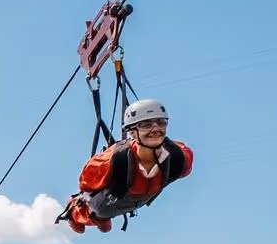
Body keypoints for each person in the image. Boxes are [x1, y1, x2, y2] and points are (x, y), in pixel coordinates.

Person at [63, 98, 193, 234]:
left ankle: (102, 218)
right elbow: (86, 183)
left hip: (139, 200)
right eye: (146, 125)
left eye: (161, 123)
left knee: (108, 213)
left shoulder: (179, 158)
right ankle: (77, 212)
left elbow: (184, 165)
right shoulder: (111, 160)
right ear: (132, 132)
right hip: (108, 201)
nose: (155, 129)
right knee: (98, 212)